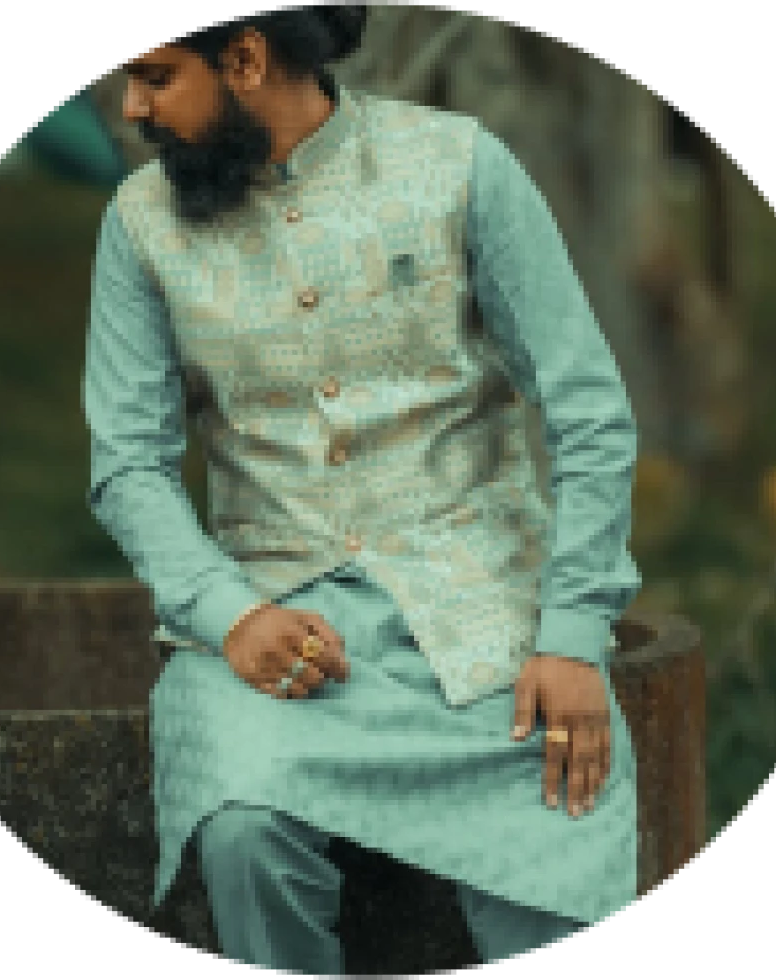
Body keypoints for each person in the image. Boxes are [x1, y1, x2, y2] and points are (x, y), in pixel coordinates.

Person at [83, 2, 643, 976]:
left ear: (245, 59)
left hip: (481, 611)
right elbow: (128, 462)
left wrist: (570, 632)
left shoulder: (458, 166)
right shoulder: (140, 221)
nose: (132, 107)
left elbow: (586, 409)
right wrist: (228, 613)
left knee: (558, 825)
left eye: (154, 76)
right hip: (274, 627)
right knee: (242, 829)